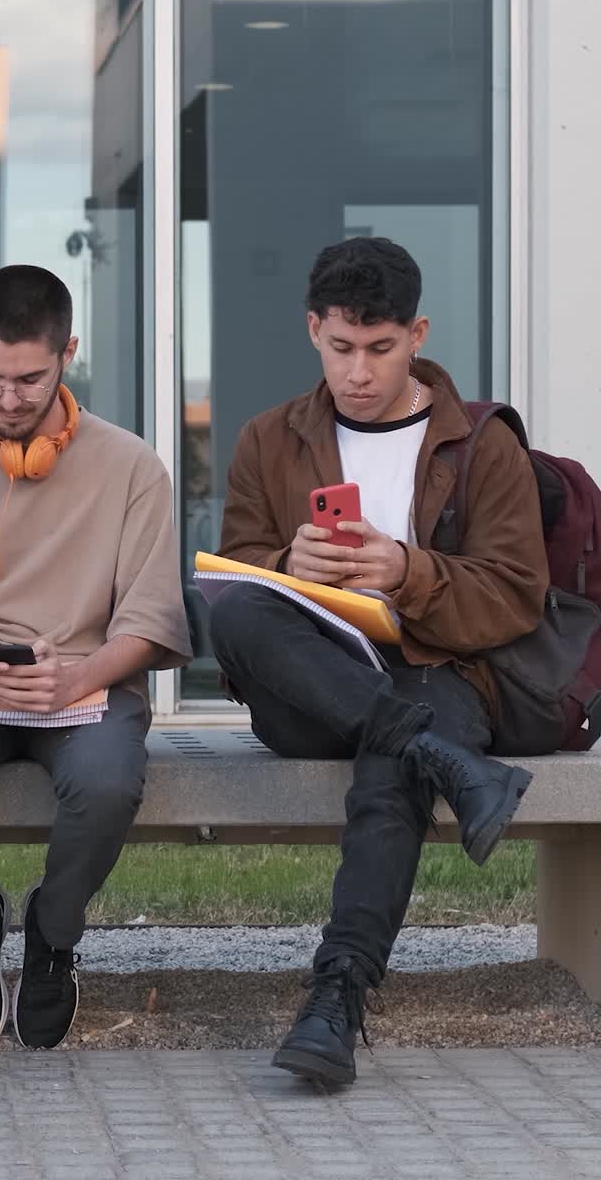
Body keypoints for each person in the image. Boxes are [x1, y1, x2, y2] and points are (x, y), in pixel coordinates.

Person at [209, 237, 549, 1088]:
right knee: (245, 612)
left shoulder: (481, 444)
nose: (358, 372)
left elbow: (516, 595)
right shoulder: (267, 440)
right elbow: (237, 577)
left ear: (418, 334)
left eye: (381, 349)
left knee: (394, 757)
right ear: (313, 331)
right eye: (340, 348)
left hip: (438, 669)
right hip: (317, 686)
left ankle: (337, 996)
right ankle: (443, 760)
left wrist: (408, 571)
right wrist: (291, 570)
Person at [0, 265, 191, 1049]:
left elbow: (153, 625)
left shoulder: (132, 468)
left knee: (108, 782)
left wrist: (78, 678)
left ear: (68, 355)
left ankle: (53, 938)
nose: (7, 398)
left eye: (28, 379)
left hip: (86, 687)